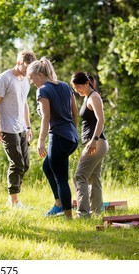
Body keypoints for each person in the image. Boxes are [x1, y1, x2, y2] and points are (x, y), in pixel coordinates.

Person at [26, 57, 79, 219]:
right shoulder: (64, 86)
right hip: (71, 137)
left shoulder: (43, 90)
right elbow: (74, 111)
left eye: (31, 78)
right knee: (48, 167)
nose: (31, 82)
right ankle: (58, 204)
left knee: (61, 178)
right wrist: (73, 130)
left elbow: (46, 117)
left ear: (40, 75)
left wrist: (41, 141)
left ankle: (67, 215)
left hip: (59, 137)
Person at [0, 50, 36, 208]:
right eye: (26, 67)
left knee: (26, 164)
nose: (28, 71)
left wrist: (28, 126)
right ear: (19, 62)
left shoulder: (26, 80)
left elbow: (24, 104)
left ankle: (12, 199)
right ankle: (14, 200)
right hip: (7, 128)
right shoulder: (4, 78)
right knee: (16, 163)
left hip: (22, 127)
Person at [71, 72, 109, 218]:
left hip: (96, 142)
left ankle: (83, 213)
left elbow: (101, 120)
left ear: (87, 83)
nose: (77, 90)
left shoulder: (94, 97)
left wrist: (93, 140)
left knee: (80, 176)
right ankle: (96, 212)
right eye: (75, 89)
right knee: (94, 177)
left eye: (78, 87)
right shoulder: (88, 97)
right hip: (96, 142)